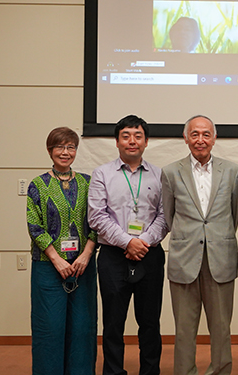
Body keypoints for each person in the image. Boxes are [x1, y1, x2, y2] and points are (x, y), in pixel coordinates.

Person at [162, 115, 238, 375]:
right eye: (194, 134)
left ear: (214, 138)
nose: (200, 140)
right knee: (184, 329)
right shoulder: (171, 172)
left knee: (221, 327)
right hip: (184, 259)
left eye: (206, 134)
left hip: (220, 257)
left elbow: (234, 213)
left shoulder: (232, 171)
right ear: (186, 138)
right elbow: (168, 215)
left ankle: (220, 371)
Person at [88, 115, 168, 375]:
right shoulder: (102, 174)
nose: (132, 141)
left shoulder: (160, 175)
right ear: (117, 141)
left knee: (150, 322)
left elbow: (165, 216)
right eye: (126, 136)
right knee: (113, 322)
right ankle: (113, 371)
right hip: (113, 256)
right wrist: (127, 242)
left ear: (146, 142)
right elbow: (97, 216)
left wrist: (142, 241)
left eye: (137, 136)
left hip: (150, 255)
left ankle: (150, 371)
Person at [27, 127, 97, 375]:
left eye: (71, 147)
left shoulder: (89, 183)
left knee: (82, 327)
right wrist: (57, 260)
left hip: (82, 266)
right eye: (60, 147)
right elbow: (34, 227)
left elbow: (97, 222)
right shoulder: (38, 185)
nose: (65, 152)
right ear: (50, 150)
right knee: (50, 327)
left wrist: (86, 254)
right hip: (48, 266)